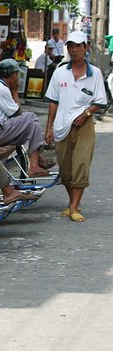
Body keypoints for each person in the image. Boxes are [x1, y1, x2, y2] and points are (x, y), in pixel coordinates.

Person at [44, 30, 106, 222]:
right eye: (70, 46)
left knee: (81, 164)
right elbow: (53, 101)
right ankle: (72, 203)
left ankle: (74, 206)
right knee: (65, 169)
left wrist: (86, 113)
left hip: (84, 124)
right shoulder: (60, 72)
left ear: (85, 48)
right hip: (62, 124)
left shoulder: (94, 73)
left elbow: (100, 101)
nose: (74, 50)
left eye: (78, 46)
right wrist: (49, 127)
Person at [0, 58, 49, 178]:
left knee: (34, 125)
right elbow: (18, 112)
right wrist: (15, 91)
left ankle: (34, 164)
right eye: (17, 75)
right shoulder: (1, 89)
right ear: (13, 76)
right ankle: (37, 159)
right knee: (31, 116)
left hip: (0, 130)